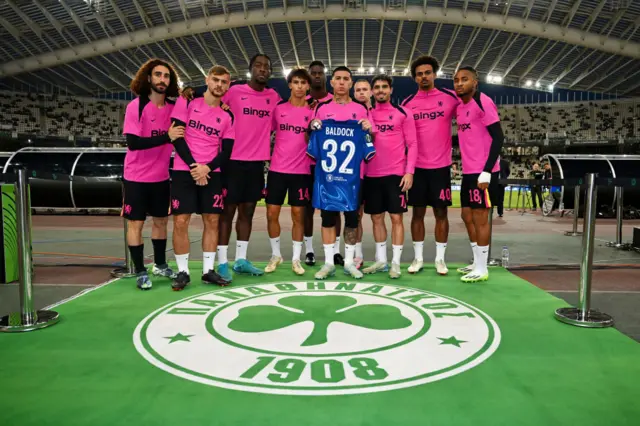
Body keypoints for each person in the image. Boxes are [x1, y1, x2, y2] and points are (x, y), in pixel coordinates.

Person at [169, 65, 235, 290]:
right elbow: (176, 138)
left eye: (224, 82)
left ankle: (208, 270)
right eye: (215, 80)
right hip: (183, 171)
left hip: (211, 173)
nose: (219, 85)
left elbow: (226, 151)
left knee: (212, 221)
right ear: (207, 80)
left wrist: (206, 168)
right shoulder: (187, 102)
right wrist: (194, 167)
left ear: (228, 85)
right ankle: (183, 272)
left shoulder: (227, 115)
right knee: (180, 221)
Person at [217, 54, 282, 281]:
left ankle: (241, 260)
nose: (262, 69)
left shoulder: (274, 97)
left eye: (266, 66)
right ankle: (222, 262)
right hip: (232, 161)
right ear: (250, 69)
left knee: (248, 213)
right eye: (258, 66)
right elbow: (214, 103)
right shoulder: (233, 91)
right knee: (227, 213)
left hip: (256, 164)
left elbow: (281, 120)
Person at [308, 66, 376, 280]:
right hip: (327, 178)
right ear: (332, 82)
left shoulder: (361, 110)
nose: (341, 82)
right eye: (337, 78)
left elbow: (370, 139)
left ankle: (348, 262)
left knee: (352, 220)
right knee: (327, 219)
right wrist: (313, 126)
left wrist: (368, 129)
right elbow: (310, 136)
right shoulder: (320, 108)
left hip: (353, 177)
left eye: (345, 79)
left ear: (350, 83)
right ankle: (328, 262)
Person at [122, 58, 183, 290]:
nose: (162, 80)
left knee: (160, 222)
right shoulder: (135, 107)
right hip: (136, 177)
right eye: (158, 75)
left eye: (166, 76)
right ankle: (140, 270)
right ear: (148, 78)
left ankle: (160, 264)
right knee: (136, 224)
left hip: (160, 177)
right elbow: (134, 143)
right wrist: (167, 136)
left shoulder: (172, 109)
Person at [401, 56, 460, 276]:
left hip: (440, 168)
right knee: (417, 214)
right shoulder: (407, 104)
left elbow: (469, 108)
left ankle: (440, 260)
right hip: (416, 168)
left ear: (434, 74)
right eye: (419, 74)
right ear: (415, 78)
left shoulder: (449, 98)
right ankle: (418, 259)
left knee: (441, 213)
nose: (424, 77)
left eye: (427, 72)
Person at [362, 74, 417, 279]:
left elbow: (412, 144)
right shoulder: (366, 114)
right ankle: (382, 261)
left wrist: (409, 171)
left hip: (395, 174)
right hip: (371, 173)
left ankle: (395, 263)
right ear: (372, 91)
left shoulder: (403, 113)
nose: (380, 90)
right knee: (376, 218)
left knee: (396, 218)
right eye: (377, 87)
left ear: (391, 90)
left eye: (384, 87)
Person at [453, 66, 505, 283]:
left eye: (464, 79)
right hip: (468, 171)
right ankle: (476, 261)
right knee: (466, 216)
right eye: (456, 80)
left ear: (475, 82)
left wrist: (487, 171)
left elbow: (499, 137)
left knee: (481, 218)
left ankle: (483, 268)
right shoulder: (459, 107)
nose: (459, 83)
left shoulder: (483, 101)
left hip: (484, 172)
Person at [264, 69, 314, 275]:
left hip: (301, 171)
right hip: (277, 170)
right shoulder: (279, 109)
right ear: (290, 85)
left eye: (303, 82)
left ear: (308, 86)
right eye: (296, 82)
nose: (300, 86)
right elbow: (264, 132)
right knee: (271, 213)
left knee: (298, 216)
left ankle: (295, 258)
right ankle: (276, 255)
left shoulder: (313, 112)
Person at [304, 61, 337, 267]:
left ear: (325, 77)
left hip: (331, 166)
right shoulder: (301, 101)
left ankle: (335, 251)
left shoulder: (334, 101)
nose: (317, 76)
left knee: (333, 208)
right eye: (313, 73)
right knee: (307, 209)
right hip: (304, 163)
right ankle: (309, 251)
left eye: (320, 73)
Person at [352, 78, 374, 269]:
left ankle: (383, 258)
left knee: (379, 217)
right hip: (356, 173)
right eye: (358, 89)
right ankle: (357, 255)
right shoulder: (351, 114)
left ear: (371, 92)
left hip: (377, 173)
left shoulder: (380, 113)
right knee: (355, 215)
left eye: (365, 89)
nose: (361, 93)